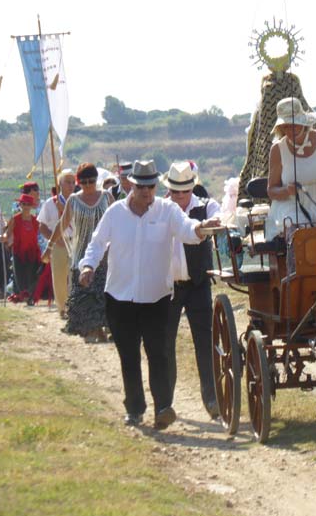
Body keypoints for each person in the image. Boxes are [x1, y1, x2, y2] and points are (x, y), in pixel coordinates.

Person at [78, 159, 221, 430]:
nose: (146, 192)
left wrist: (202, 229)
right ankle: (135, 408)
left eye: (151, 186)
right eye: (141, 186)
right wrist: (88, 266)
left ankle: (163, 408)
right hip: (119, 297)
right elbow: (97, 243)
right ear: (131, 185)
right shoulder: (116, 213)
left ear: (156, 186)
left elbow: (187, 229)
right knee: (129, 356)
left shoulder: (167, 210)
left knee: (159, 354)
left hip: (156, 298)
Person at [163, 161, 221, 418]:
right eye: (175, 191)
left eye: (183, 191)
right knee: (165, 344)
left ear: (192, 188)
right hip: (167, 287)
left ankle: (211, 397)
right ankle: (165, 401)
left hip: (197, 284)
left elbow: (219, 219)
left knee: (204, 343)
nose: (179, 196)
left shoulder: (207, 206)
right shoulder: (159, 209)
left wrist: (213, 224)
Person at [43, 163, 113, 341]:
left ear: (97, 180)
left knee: (103, 291)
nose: (88, 185)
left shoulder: (106, 197)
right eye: (84, 182)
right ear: (78, 182)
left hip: (104, 253)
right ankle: (89, 329)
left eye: (91, 181)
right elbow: (62, 224)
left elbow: (117, 221)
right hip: (81, 252)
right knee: (84, 292)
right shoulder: (73, 200)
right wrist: (49, 246)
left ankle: (101, 327)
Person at [265, 97, 316, 239]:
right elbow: (272, 190)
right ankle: (297, 260)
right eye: (286, 126)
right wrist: (286, 190)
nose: (291, 129)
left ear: (303, 122)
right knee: (298, 231)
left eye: (295, 124)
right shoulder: (277, 150)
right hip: (291, 203)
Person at [37, 169, 76, 317]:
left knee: (74, 276)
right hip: (59, 244)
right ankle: (62, 307)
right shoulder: (50, 203)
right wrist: (53, 239)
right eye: (67, 182)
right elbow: (42, 226)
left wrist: (65, 210)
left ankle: (73, 306)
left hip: (75, 242)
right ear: (60, 183)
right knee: (59, 277)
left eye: (73, 182)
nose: (71, 185)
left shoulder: (78, 201)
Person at [3, 194, 41, 305]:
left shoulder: (35, 220)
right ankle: (24, 295)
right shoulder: (15, 219)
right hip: (18, 251)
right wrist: (4, 237)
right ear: (20, 205)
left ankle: (29, 296)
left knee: (32, 274)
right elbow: (8, 233)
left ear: (31, 206)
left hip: (32, 251)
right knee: (20, 274)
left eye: (28, 204)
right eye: (24, 204)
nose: (26, 206)